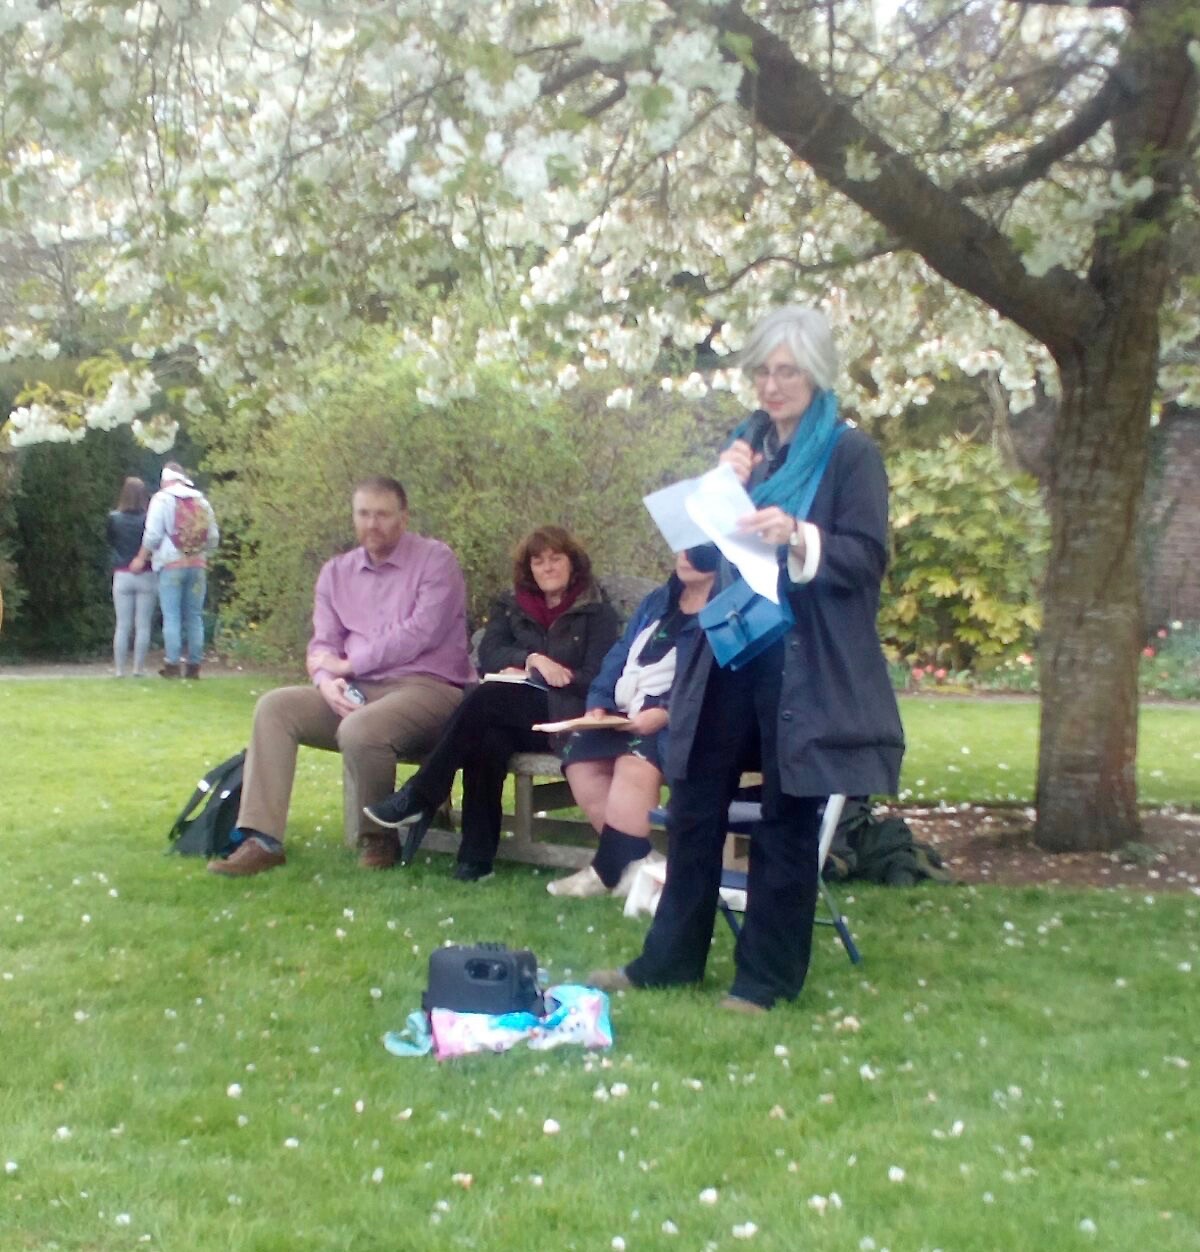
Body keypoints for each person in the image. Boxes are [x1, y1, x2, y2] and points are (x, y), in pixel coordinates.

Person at [588, 305, 905, 1013]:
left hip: (804, 660)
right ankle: (668, 962)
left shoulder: (851, 455)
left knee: (786, 818)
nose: (772, 384)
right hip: (731, 650)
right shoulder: (750, 446)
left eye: (786, 370)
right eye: (762, 369)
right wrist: (717, 490)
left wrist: (796, 534)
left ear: (816, 374)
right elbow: (702, 559)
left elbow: (865, 558)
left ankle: (764, 980)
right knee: (695, 802)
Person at [209, 475, 476, 877]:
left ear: (403, 518)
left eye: (383, 515)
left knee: (361, 730)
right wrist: (325, 681)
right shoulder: (336, 573)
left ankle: (378, 837)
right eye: (363, 514)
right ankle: (261, 840)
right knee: (275, 707)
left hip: (428, 687)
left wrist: (350, 666)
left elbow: (422, 632)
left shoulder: (436, 560)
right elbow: (323, 645)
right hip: (358, 689)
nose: (372, 524)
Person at [365, 526, 620, 882]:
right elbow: (489, 652)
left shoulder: (596, 613)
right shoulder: (512, 605)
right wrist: (530, 657)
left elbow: (599, 675)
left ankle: (421, 795)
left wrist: (552, 674)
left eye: (556, 559)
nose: (547, 567)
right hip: (513, 711)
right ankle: (475, 861)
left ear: (572, 563)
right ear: (529, 568)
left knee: (485, 701)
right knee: (487, 738)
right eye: (539, 561)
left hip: (566, 715)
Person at [547, 547, 718, 898]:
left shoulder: (727, 607)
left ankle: (605, 870)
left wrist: (667, 712)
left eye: (695, 549)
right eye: (679, 547)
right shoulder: (659, 601)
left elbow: (716, 680)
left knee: (634, 761)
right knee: (581, 759)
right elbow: (619, 656)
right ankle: (638, 865)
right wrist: (599, 704)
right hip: (629, 712)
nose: (683, 556)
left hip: (691, 721)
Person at [130, 462, 219, 678]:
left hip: (171, 564)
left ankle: (172, 665)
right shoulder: (201, 500)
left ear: (165, 480)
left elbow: (152, 535)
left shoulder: (162, 499)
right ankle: (194, 666)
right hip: (197, 565)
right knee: (194, 616)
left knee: (172, 616)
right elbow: (214, 537)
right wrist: (199, 552)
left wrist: (141, 558)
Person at [106, 476, 156, 678]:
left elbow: (111, 541)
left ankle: (119, 669)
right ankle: (138, 668)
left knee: (122, 624)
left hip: (122, 573)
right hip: (145, 573)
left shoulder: (114, 518)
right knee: (142, 624)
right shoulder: (148, 519)